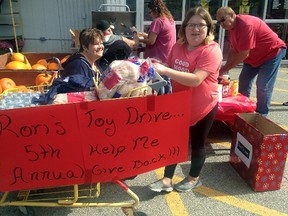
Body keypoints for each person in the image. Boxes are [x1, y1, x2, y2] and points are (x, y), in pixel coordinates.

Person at [148, 7, 222, 193]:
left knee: (198, 142)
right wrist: (156, 66)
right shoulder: (177, 46)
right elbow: (170, 67)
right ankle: (166, 180)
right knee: (173, 142)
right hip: (179, 104)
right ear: (184, 28)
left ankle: (193, 178)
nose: (195, 29)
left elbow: (196, 79)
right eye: (191, 25)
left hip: (203, 106)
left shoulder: (211, 50)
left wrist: (166, 70)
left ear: (208, 28)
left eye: (201, 25)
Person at [216, 7, 287, 116]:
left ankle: (261, 115)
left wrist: (225, 69)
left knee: (263, 86)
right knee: (244, 81)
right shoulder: (231, 29)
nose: (221, 24)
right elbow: (233, 49)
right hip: (254, 57)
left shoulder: (246, 25)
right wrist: (226, 69)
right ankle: (244, 109)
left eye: (222, 20)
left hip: (271, 53)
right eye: (218, 22)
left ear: (231, 15)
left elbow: (244, 53)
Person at [136, 0, 176, 94]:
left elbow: (151, 41)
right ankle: (167, 100)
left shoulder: (157, 21)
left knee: (158, 85)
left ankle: (159, 103)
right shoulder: (169, 19)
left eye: (150, 12)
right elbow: (160, 37)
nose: (150, 14)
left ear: (154, 10)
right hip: (167, 57)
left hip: (157, 58)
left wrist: (138, 39)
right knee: (166, 82)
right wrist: (145, 35)